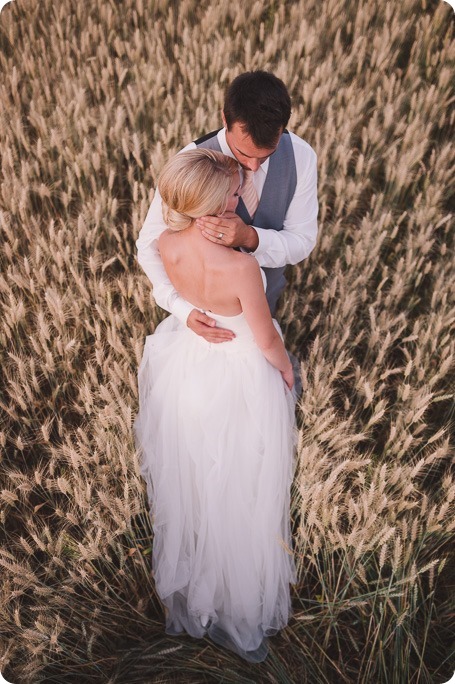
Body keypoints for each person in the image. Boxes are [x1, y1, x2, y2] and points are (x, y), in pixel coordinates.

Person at [133, 148, 297, 663]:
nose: (238, 197)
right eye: (231, 193)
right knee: (242, 490)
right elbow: (265, 336)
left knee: (200, 483)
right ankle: (237, 599)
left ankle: (199, 593)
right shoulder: (241, 266)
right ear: (211, 207)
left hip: (188, 364)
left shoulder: (165, 242)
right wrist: (286, 368)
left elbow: (172, 282)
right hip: (240, 371)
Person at [136, 70, 318, 345]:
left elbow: (302, 241)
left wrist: (250, 238)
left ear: (283, 127)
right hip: (203, 318)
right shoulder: (190, 162)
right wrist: (182, 310)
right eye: (245, 154)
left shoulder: (301, 157)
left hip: (266, 309)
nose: (254, 167)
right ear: (225, 118)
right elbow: (149, 245)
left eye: (266, 154)